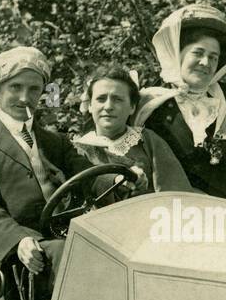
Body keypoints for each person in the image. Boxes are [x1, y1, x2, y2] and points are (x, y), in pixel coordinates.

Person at [0, 46, 92, 298]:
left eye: (34, 89)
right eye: (15, 87)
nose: (25, 98)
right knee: (69, 253)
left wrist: (120, 178)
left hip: (67, 239)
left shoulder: (56, 142)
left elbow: (89, 177)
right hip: (17, 254)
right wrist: (18, 241)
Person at [134, 3, 226, 202]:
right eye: (198, 53)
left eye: (213, 57)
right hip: (174, 212)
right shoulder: (150, 104)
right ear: (178, 54)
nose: (206, 63)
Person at [72, 64, 194, 200]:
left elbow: (175, 191)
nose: (108, 107)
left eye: (118, 99)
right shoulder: (78, 150)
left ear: (132, 107)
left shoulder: (148, 140)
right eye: (101, 99)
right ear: (89, 105)